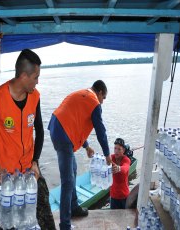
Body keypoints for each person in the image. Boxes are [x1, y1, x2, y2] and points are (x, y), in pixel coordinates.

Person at [0, 49, 56, 230]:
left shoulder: (35, 96)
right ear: (24, 76)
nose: (38, 81)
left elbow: (40, 131)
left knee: (46, 222)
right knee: (7, 225)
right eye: (36, 77)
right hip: (7, 178)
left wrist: (35, 161)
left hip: (30, 172)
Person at [48, 80, 111, 230]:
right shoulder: (94, 102)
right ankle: (65, 225)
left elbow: (75, 122)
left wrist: (87, 146)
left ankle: (74, 206)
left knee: (74, 169)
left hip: (57, 128)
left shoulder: (83, 95)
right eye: (104, 98)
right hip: (63, 135)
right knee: (68, 181)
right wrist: (108, 154)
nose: (102, 102)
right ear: (100, 92)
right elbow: (101, 131)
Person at [110, 138, 131, 209]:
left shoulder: (126, 160)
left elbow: (125, 168)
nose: (116, 151)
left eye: (119, 149)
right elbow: (104, 161)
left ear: (123, 150)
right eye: (115, 148)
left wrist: (118, 168)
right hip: (113, 196)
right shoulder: (111, 157)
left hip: (124, 196)